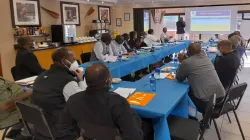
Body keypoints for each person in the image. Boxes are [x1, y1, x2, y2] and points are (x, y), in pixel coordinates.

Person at [57, 63, 144, 140]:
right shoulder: (118, 102)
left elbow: (63, 129)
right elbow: (134, 136)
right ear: (108, 80)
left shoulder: (73, 99)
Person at [31, 48, 86, 139]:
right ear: (64, 61)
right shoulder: (66, 81)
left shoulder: (40, 77)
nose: (75, 62)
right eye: (73, 60)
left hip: (41, 126)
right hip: (62, 129)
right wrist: (80, 80)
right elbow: (81, 103)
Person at [176, 43, 225, 114]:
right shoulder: (206, 58)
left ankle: (189, 118)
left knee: (183, 97)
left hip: (207, 102)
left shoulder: (187, 62)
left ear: (188, 51)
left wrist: (181, 63)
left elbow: (179, 78)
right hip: (221, 97)